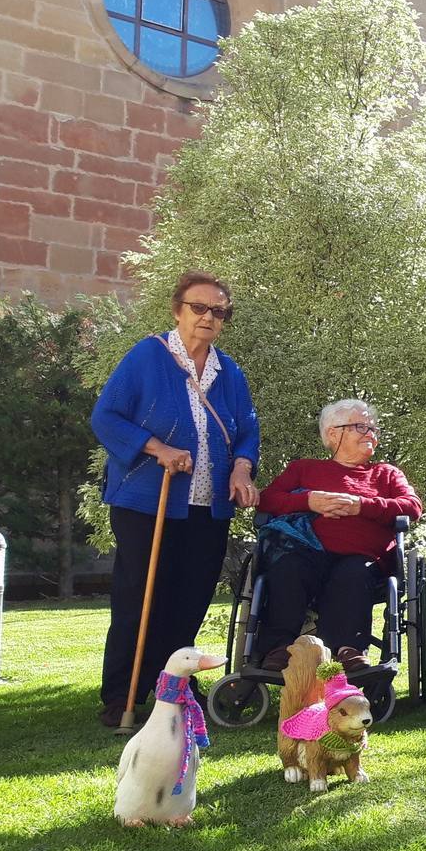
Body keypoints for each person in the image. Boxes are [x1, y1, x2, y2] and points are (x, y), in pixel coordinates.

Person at [91, 271, 260, 727]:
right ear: (177, 310)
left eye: (218, 311)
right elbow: (106, 416)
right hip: (149, 499)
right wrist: (158, 449)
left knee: (190, 596)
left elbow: (246, 429)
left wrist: (242, 468)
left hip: (209, 504)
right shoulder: (149, 356)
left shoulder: (228, 371)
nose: (208, 317)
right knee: (140, 594)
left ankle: (177, 685)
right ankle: (123, 693)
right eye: (199, 307)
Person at [253, 399, 423, 681]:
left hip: (362, 557)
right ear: (333, 433)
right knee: (288, 568)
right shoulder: (304, 469)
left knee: (354, 572)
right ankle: (279, 649)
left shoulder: (386, 473)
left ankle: (348, 649)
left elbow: (412, 506)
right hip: (308, 550)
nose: (370, 434)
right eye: (360, 427)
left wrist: (362, 506)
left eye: (372, 428)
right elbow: (267, 500)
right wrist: (309, 500)